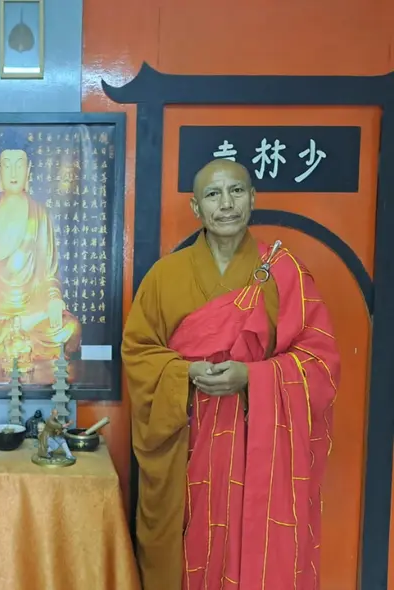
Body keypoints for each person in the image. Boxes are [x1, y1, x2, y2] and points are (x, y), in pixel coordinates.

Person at [122, 159, 339, 590]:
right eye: (213, 195)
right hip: (186, 442)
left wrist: (253, 377)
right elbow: (138, 352)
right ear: (195, 207)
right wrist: (184, 371)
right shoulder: (166, 276)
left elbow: (320, 361)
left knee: (250, 549)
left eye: (237, 192)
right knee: (183, 550)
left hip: (257, 445)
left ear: (253, 198)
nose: (226, 204)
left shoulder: (286, 274)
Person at [0, 128, 81, 367]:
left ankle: (18, 338)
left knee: (70, 330)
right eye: (7, 165)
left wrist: (53, 300)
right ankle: (15, 340)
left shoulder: (40, 214)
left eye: (19, 164)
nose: (13, 171)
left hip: (33, 315)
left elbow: (49, 274)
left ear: (28, 170)